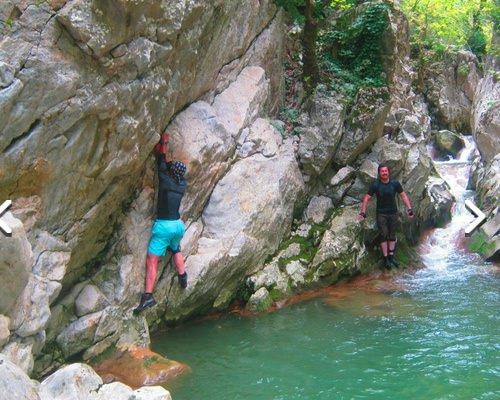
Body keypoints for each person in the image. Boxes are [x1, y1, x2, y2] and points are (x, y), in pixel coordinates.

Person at [134, 133, 188, 314]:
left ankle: (147, 296)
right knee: (176, 248)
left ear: (171, 172)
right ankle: (182, 277)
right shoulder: (182, 185)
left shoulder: (165, 180)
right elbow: (168, 166)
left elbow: (161, 160)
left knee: (152, 260)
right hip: (178, 226)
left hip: (165, 226)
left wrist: (164, 143)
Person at [357, 165, 414, 269]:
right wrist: (363, 212)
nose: (384, 173)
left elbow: (403, 196)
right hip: (381, 214)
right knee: (383, 234)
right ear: (379, 173)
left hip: (393, 213)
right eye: (382, 171)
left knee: (392, 235)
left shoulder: (395, 183)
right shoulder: (376, 185)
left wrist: (409, 209)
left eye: (386, 171)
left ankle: (391, 257)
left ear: (389, 172)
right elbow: (366, 198)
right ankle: (386, 258)